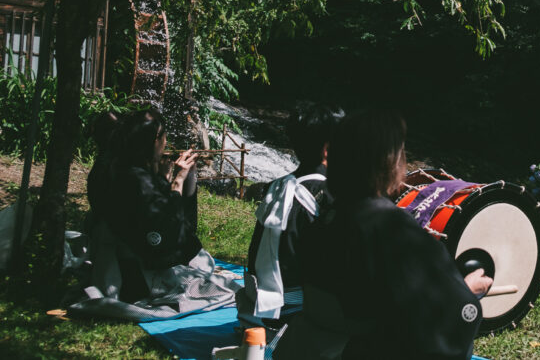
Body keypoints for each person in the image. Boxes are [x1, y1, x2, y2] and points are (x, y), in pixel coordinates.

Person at [274, 110, 492, 360]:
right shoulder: (391, 228)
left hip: (306, 347)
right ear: (390, 163)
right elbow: (437, 320)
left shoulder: (328, 217)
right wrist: (467, 293)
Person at [74, 109, 239, 320]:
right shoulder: (137, 180)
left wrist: (161, 179)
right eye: (163, 137)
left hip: (115, 261)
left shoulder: (115, 167)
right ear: (153, 141)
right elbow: (166, 234)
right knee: (208, 270)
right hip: (136, 276)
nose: (166, 142)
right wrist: (177, 182)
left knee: (204, 264)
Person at [238, 106, 339, 325]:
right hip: (295, 312)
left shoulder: (276, 186)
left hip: (256, 302)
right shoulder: (333, 193)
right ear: (328, 148)